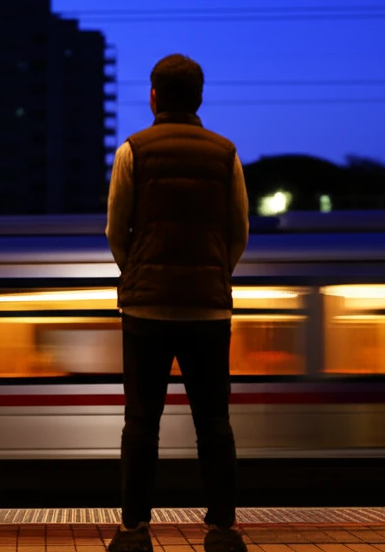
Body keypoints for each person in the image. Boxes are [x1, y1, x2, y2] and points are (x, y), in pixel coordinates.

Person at [105, 54, 249, 552]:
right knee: (214, 421)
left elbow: (115, 230)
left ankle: (134, 530)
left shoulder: (133, 151)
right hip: (209, 311)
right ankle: (224, 530)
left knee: (141, 421)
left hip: (146, 311)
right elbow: (239, 233)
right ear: (200, 98)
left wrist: (139, 273)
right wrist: (211, 276)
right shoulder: (225, 154)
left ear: (153, 96)